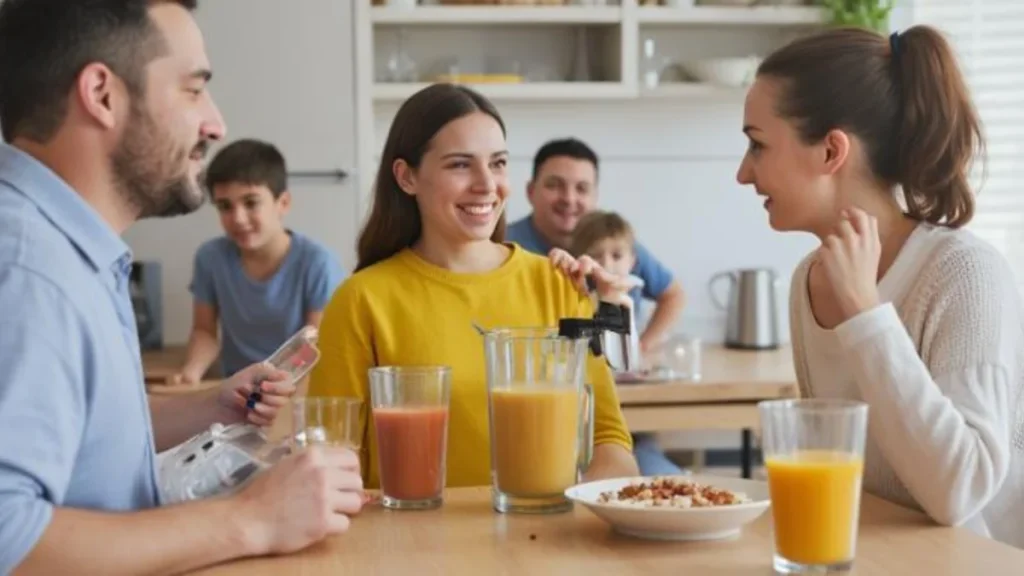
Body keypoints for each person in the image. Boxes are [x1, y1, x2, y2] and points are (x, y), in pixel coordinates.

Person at [0, 2, 364, 574]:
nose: (215, 124)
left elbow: (83, 427)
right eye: (194, 91)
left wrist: (209, 408)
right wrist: (254, 519)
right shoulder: (28, 270)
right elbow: (7, 537)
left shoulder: (66, 251)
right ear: (102, 94)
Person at [736, 25, 1023, 547]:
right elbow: (848, 483)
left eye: (757, 146)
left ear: (831, 152)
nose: (742, 173)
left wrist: (866, 316)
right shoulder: (809, 279)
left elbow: (960, 492)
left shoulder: (965, 274)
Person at [307, 83, 639, 490]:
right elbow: (331, 467)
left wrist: (567, 518)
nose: (487, 184)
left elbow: (610, 443)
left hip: (540, 541)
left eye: (498, 163)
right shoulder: (361, 300)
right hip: (412, 546)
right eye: (460, 165)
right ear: (407, 176)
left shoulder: (559, 284)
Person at [169, 138, 347, 385]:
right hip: (235, 391)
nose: (238, 218)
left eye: (251, 203)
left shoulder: (317, 263)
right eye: (225, 206)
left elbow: (314, 348)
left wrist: (274, 387)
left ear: (283, 203)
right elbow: (204, 332)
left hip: (297, 388)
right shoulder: (210, 258)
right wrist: (191, 372)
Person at [505, 137, 686, 352]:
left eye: (582, 188)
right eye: (555, 185)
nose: (569, 198)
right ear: (531, 191)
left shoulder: (618, 246)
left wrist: (641, 348)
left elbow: (673, 295)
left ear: (595, 196)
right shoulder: (503, 247)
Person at [564, 210, 686, 477]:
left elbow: (624, 358)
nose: (607, 263)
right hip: (588, 416)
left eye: (616, 256)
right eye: (597, 256)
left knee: (656, 467)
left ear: (632, 260)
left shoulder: (628, 294)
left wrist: (641, 348)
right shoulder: (574, 296)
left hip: (628, 413)